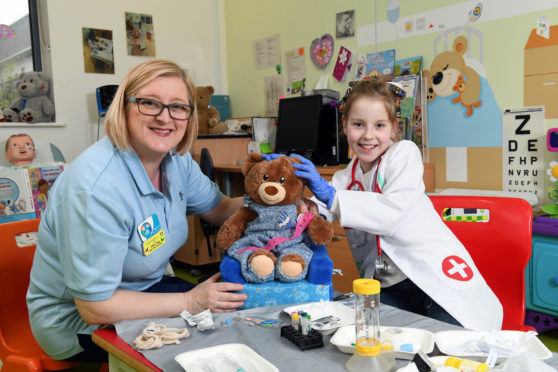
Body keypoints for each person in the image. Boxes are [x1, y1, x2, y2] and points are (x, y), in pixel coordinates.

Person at [26, 59, 247, 362]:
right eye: (149, 103)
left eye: (178, 107)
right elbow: (95, 307)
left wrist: (275, 198)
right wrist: (191, 300)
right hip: (77, 322)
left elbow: (222, 210)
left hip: (147, 289)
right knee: (203, 348)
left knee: (239, 316)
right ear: (124, 108)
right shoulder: (95, 189)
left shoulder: (175, 160)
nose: (165, 117)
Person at [267, 78, 503, 331]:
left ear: (393, 128)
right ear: (345, 126)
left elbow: (390, 214)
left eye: (379, 125)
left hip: (430, 279)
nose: (368, 135)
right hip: (388, 287)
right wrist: (297, 198)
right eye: (358, 124)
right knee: (380, 340)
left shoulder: (404, 154)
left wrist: (331, 197)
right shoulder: (345, 176)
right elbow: (319, 213)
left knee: (451, 343)